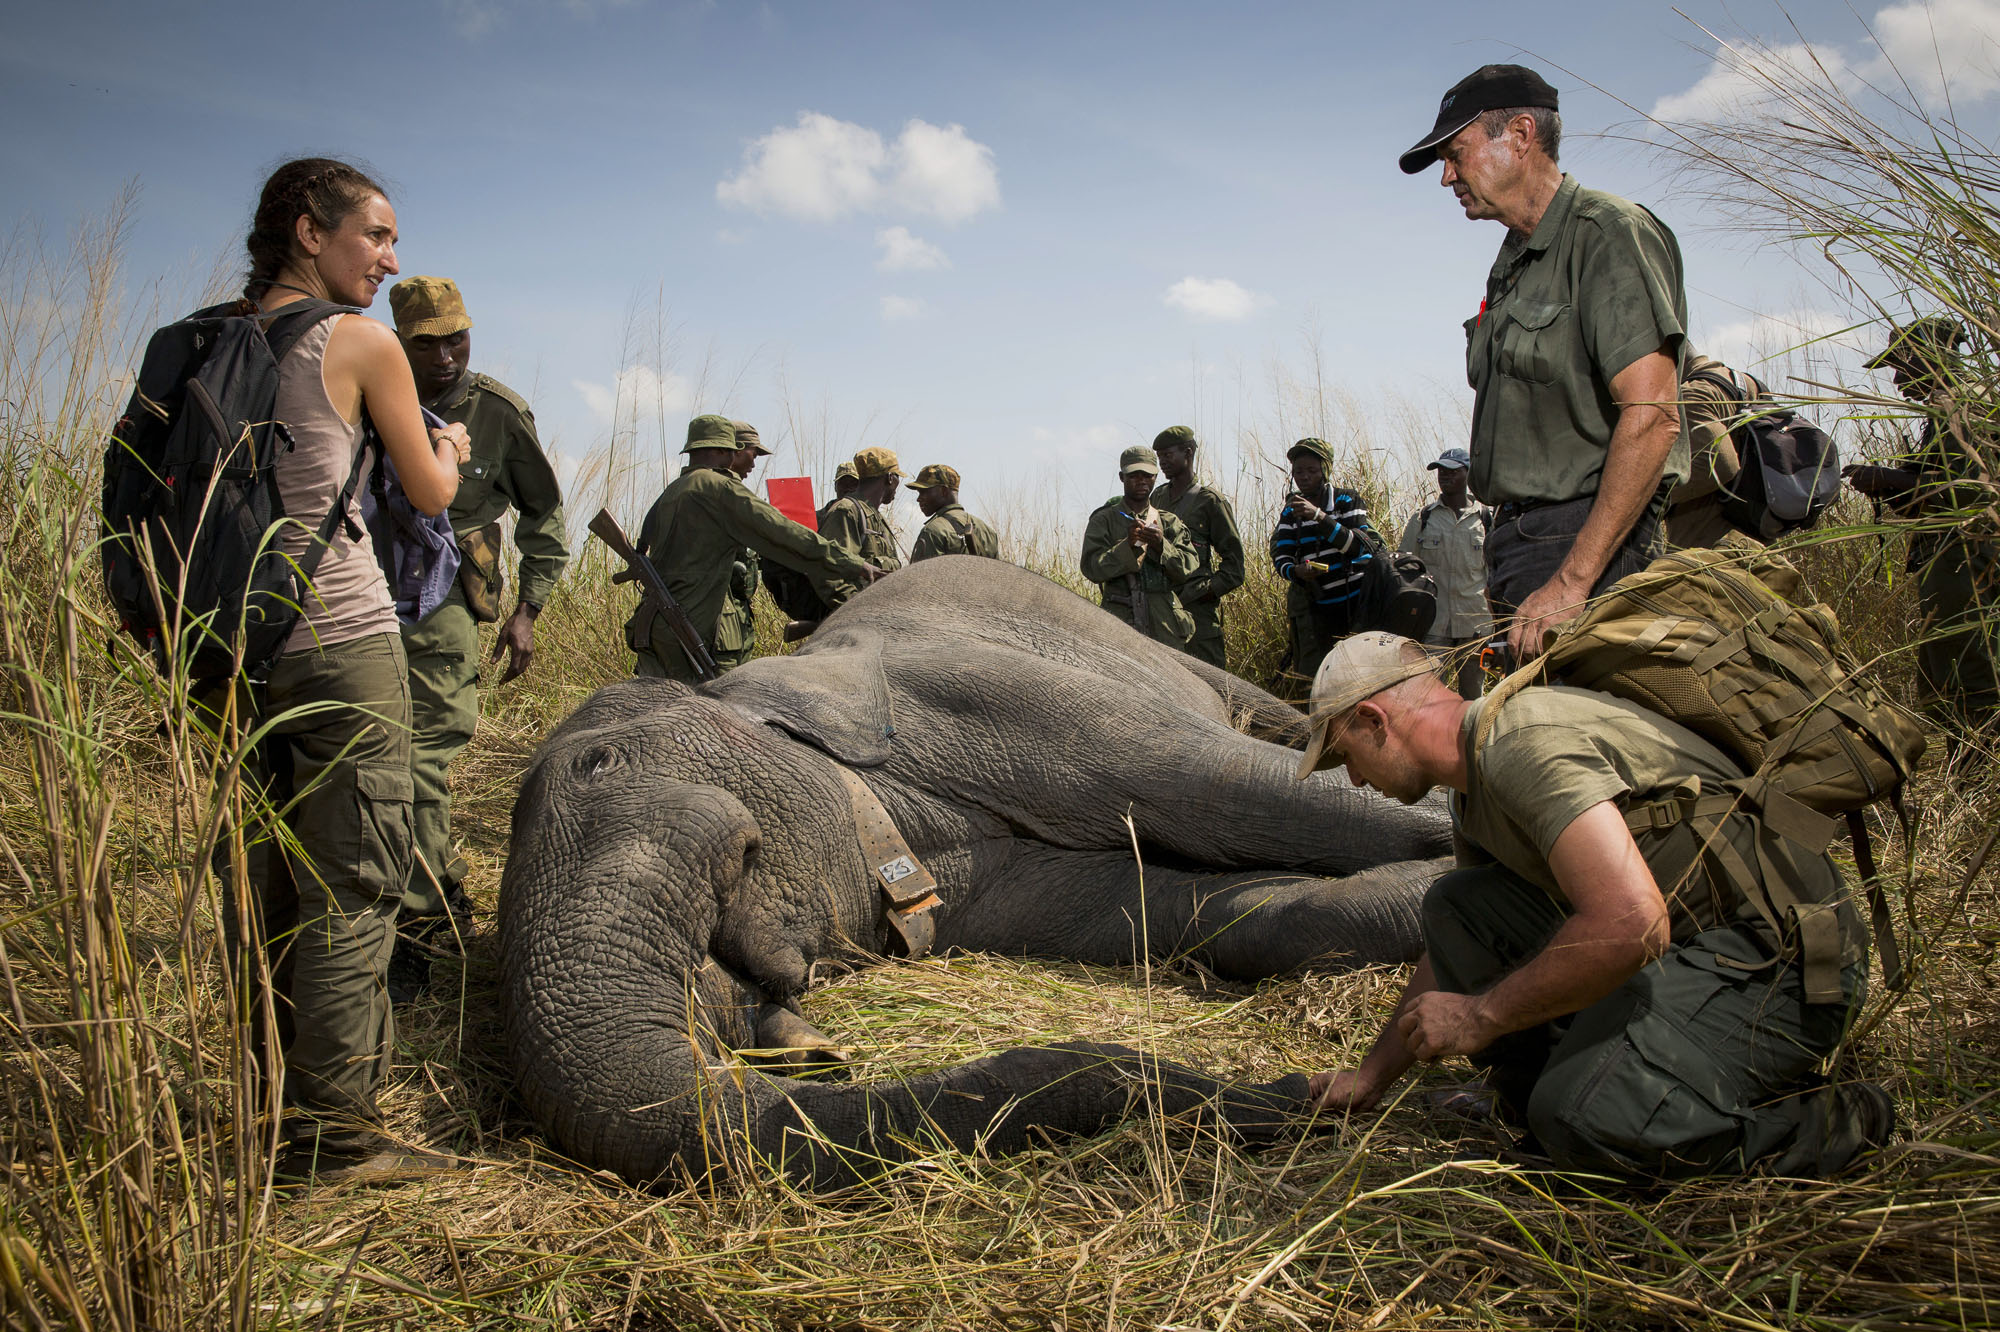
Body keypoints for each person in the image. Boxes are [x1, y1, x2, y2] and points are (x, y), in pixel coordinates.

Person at [1297, 632, 1893, 1179]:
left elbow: (1633, 924)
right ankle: (1555, 1091)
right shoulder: (1470, 786)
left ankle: (1827, 1121)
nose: (1354, 780)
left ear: (1374, 720)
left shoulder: (1521, 742)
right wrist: (1372, 1075)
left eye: (1346, 756)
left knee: (1582, 1117)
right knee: (1457, 906)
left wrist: (1479, 1017)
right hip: (1688, 944)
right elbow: (1459, 946)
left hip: (1785, 960)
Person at [232, 158, 470, 1180]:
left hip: (231, 652)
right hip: (339, 640)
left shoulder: (208, 339)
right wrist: (450, 448)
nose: (389, 259)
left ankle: (267, 1105)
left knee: (268, 888)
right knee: (353, 888)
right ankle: (333, 1137)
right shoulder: (360, 342)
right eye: (375, 235)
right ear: (307, 231)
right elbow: (428, 492)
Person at [1402, 64, 1688, 664]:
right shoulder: (1512, 262)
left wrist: (1573, 581)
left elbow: (1653, 414)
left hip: (1586, 548)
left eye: (1456, 154)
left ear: (1520, 135)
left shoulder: (1607, 233)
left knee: (1576, 719)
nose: (1447, 176)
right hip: (1521, 545)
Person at [384, 276, 571, 1005]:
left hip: (448, 606)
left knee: (418, 763)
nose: (444, 357)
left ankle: (423, 920)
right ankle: (424, 893)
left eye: (455, 339)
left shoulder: (496, 412)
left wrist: (529, 608)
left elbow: (544, 515)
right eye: (425, 344)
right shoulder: (366, 389)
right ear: (400, 341)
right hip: (363, 597)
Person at [625, 415, 875, 679]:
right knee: (711, 702)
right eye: (734, 452)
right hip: (697, 627)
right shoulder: (719, 489)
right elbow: (784, 533)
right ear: (724, 450)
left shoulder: (672, 492)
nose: (748, 462)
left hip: (655, 624)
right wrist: (853, 564)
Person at [1846, 317, 1999, 731]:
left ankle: (1978, 768)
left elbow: (1974, 494)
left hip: (1969, 563)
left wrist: (1891, 479)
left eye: (1902, 364)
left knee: (1972, 684)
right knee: (1949, 681)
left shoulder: (1964, 403)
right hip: (1955, 561)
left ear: (1932, 355)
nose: (1897, 380)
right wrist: (1892, 486)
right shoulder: (1951, 404)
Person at [1270, 437, 1377, 682]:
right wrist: (1296, 571)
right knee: (1327, 678)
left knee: (1363, 675)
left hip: (1358, 604)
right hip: (1320, 609)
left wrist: (1319, 517)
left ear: (1325, 471)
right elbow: (1282, 556)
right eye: (1298, 472)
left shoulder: (1346, 500)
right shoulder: (1290, 511)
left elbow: (1357, 547)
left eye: (1312, 470)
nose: (1304, 477)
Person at [1080, 445, 1199, 648]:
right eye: (1134, 476)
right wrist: (1126, 546)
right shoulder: (1104, 520)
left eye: (1147, 475)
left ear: (1155, 477)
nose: (1141, 481)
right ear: (1122, 477)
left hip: (1165, 625)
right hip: (1118, 623)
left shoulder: (1169, 522)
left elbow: (1187, 569)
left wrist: (1161, 545)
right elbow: (1092, 568)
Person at [1398, 447, 1491, 697]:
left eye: (1453, 471)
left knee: (1473, 696)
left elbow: (1495, 573)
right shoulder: (1423, 518)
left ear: (1468, 474)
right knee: (1429, 694)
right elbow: (1406, 568)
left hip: (1475, 624)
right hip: (1434, 624)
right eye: (1441, 471)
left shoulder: (1485, 519)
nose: (1445, 476)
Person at [1153, 426, 1245, 669]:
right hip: (1161, 610)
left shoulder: (1210, 501)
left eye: (1168, 455)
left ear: (1188, 452)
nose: (1162, 462)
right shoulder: (1156, 499)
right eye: (1159, 457)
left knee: (1209, 679)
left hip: (1198, 616)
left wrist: (1203, 592)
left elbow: (1235, 569)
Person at [1664, 349, 1767, 551]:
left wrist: (1643, 497)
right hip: (1753, 550)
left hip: (1707, 553)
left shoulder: (1692, 394)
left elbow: (1720, 465)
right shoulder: (1745, 384)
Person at [820, 447, 905, 574]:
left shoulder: (878, 518)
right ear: (890, 478)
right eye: (898, 476)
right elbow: (833, 570)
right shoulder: (847, 511)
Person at [909, 463, 1001, 560]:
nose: (918, 499)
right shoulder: (988, 532)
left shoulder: (932, 531)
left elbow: (921, 570)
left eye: (924, 492)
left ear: (943, 491)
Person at [818, 460, 859, 528]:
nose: (847, 488)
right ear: (835, 487)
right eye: (843, 483)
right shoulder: (817, 518)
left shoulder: (867, 519)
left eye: (853, 484)